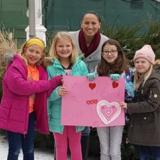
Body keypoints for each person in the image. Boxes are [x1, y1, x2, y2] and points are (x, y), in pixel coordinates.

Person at [0, 37, 62, 160]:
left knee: (29, 149)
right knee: (15, 150)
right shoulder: (15, 67)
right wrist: (50, 83)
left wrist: (57, 84)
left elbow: (43, 92)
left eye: (37, 52)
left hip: (30, 114)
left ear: (42, 55)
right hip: (13, 114)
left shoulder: (41, 71)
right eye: (31, 50)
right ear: (24, 50)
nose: (33, 54)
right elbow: (21, 87)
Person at [69, 11, 109, 159]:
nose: (90, 26)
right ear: (81, 24)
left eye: (93, 23)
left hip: (92, 89)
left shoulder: (106, 41)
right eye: (86, 22)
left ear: (99, 25)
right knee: (63, 128)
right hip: (71, 87)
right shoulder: (70, 38)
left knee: (84, 128)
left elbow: (110, 63)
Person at [88, 39, 134, 160]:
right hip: (100, 112)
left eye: (112, 51)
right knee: (104, 150)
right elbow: (91, 91)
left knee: (114, 151)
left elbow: (131, 93)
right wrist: (90, 79)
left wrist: (121, 82)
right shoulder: (98, 68)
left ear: (118, 52)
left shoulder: (126, 70)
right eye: (106, 51)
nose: (109, 54)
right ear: (102, 54)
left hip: (118, 113)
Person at [47, 31, 88, 160]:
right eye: (60, 46)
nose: (64, 49)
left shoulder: (80, 65)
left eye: (67, 46)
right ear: (55, 48)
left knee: (76, 146)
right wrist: (57, 92)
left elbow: (87, 88)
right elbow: (45, 92)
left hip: (76, 113)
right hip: (57, 114)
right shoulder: (50, 67)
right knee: (60, 147)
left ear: (72, 47)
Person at [120, 45, 160, 160]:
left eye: (143, 61)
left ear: (150, 63)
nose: (140, 64)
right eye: (137, 62)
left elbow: (152, 104)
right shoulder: (139, 79)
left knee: (154, 156)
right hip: (143, 129)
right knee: (143, 155)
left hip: (153, 129)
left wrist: (129, 106)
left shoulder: (155, 81)